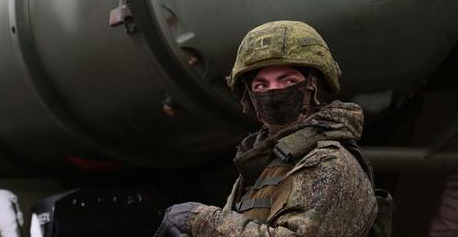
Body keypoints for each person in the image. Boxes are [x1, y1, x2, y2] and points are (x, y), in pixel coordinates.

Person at [154, 20, 387, 237]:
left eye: (287, 81)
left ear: (315, 86)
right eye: (261, 85)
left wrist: (201, 220)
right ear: (250, 97)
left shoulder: (328, 161)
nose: (273, 93)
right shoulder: (266, 164)